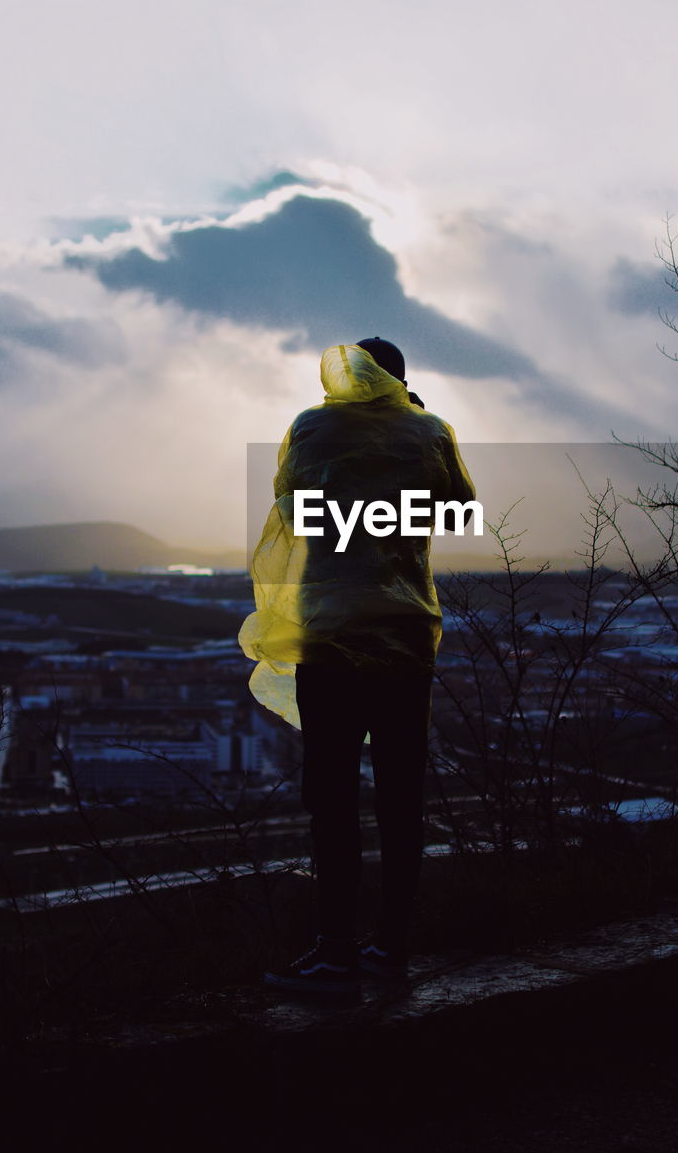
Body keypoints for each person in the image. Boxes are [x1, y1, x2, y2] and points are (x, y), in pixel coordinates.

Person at [238, 338, 475, 993]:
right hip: (404, 634)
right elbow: (457, 508)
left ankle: (334, 953)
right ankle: (390, 948)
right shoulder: (428, 430)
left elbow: (291, 507)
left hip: (333, 632)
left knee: (332, 798)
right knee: (402, 796)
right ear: (400, 379)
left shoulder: (312, 427)